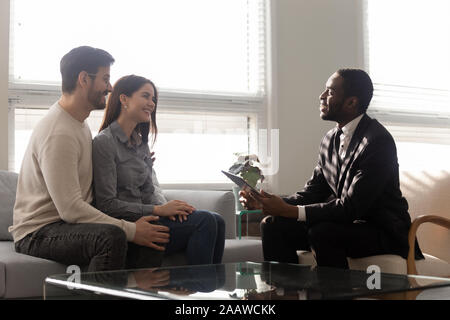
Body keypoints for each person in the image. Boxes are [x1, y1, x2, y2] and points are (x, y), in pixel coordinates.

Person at [240, 68, 424, 268]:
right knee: (273, 226)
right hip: (348, 226)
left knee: (323, 232)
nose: (322, 96)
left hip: (383, 231)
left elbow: (350, 207)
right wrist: (266, 203)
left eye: (330, 92)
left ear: (351, 102)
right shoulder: (329, 139)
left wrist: (291, 210)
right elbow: (314, 192)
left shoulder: (377, 141)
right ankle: (287, 292)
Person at [9, 46, 171, 272]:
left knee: (153, 234)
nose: (110, 87)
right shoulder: (59, 131)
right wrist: (131, 230)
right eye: (105, 79)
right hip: (39, 232)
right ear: (84, 79)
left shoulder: (79, 123)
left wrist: (137, 163)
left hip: (67, 224)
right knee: (111, 237)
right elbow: (71, 209)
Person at [92, 74, 225, 266]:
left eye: (153, 98)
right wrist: (158, 209)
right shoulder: (104, 142)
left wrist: (171, 211)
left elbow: (148, 191)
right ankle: (198, 289)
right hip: (131, 227)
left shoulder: (140, 143)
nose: (152, 103)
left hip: (151, 219)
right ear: (124, 99)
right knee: (204, 221)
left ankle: (208, 290)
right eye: (145, 96)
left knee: (217, 220)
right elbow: (107, 204)